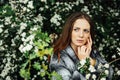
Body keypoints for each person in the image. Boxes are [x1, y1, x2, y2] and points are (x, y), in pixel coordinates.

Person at [49, 12, 113, 80]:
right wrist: (84, 63)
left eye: (86, 31)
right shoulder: (59, 56)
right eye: (76, 29)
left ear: (90, 35)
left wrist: (90, 61)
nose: (81, 35)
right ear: (69, 31)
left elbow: (110, 74)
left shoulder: (92, 52)